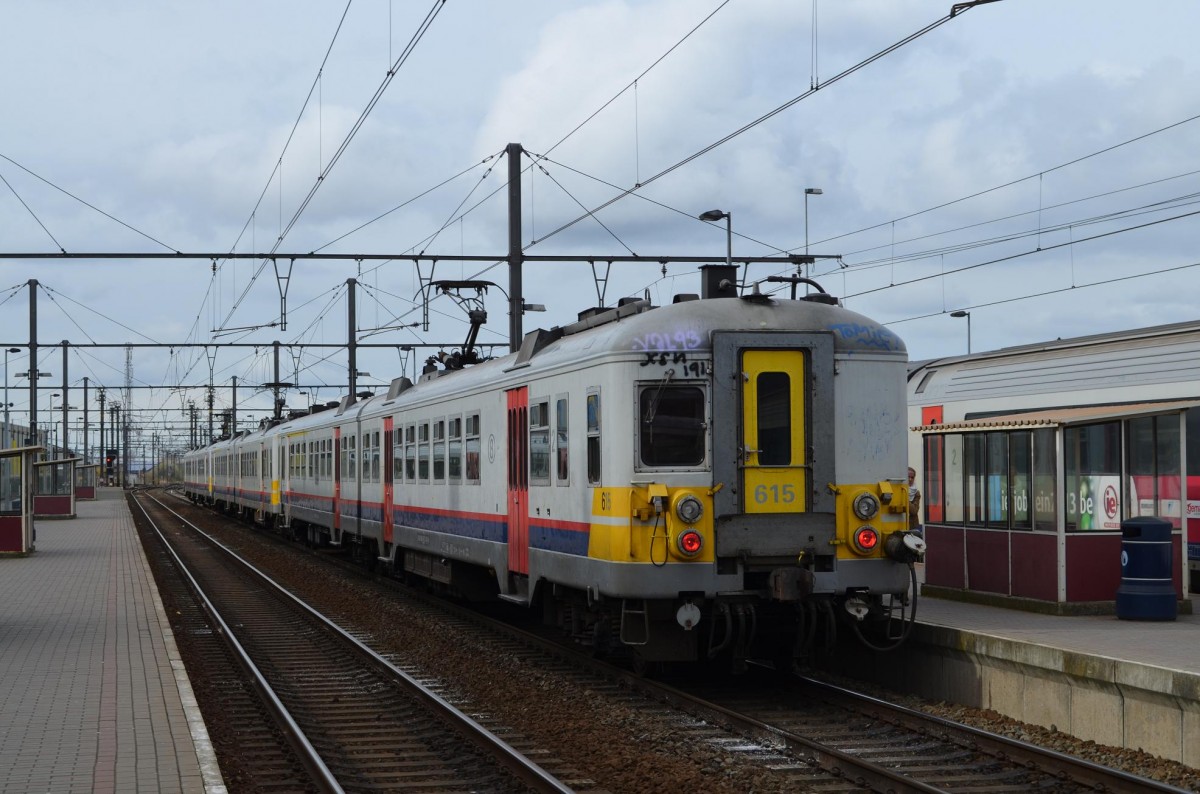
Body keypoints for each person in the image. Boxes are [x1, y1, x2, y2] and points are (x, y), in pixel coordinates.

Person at [907, 467, 922, 534]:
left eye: (912, 477)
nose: (910, 479)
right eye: (908, 477)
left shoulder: (916, 493)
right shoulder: (898, 491)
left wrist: (905, 498)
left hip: (912, 526)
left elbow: (914, 511)